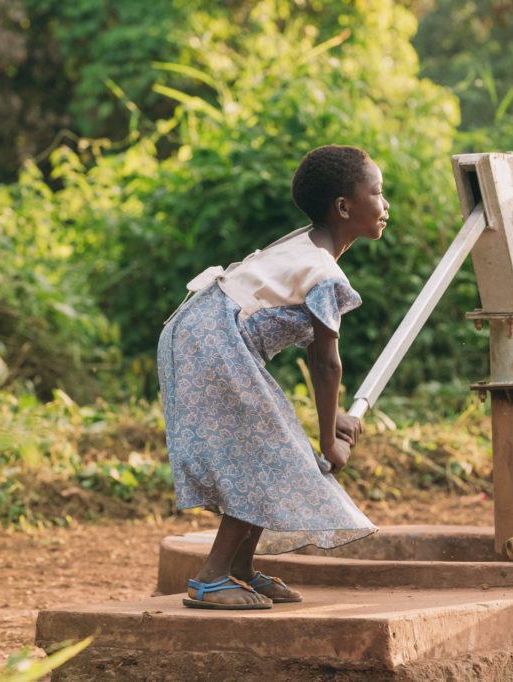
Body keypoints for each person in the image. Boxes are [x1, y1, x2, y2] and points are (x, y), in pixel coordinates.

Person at [157, 144, 385, 609]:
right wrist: (328, 439)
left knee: (268, 445)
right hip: (211, 340)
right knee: (266, 450)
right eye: (378, 193)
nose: (386, 205)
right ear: (344, 207)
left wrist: (332, 417)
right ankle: (212, 578)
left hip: (197, 332)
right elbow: (326, 364)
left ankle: (238, 569)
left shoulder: (304, 246)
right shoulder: (323, 271)